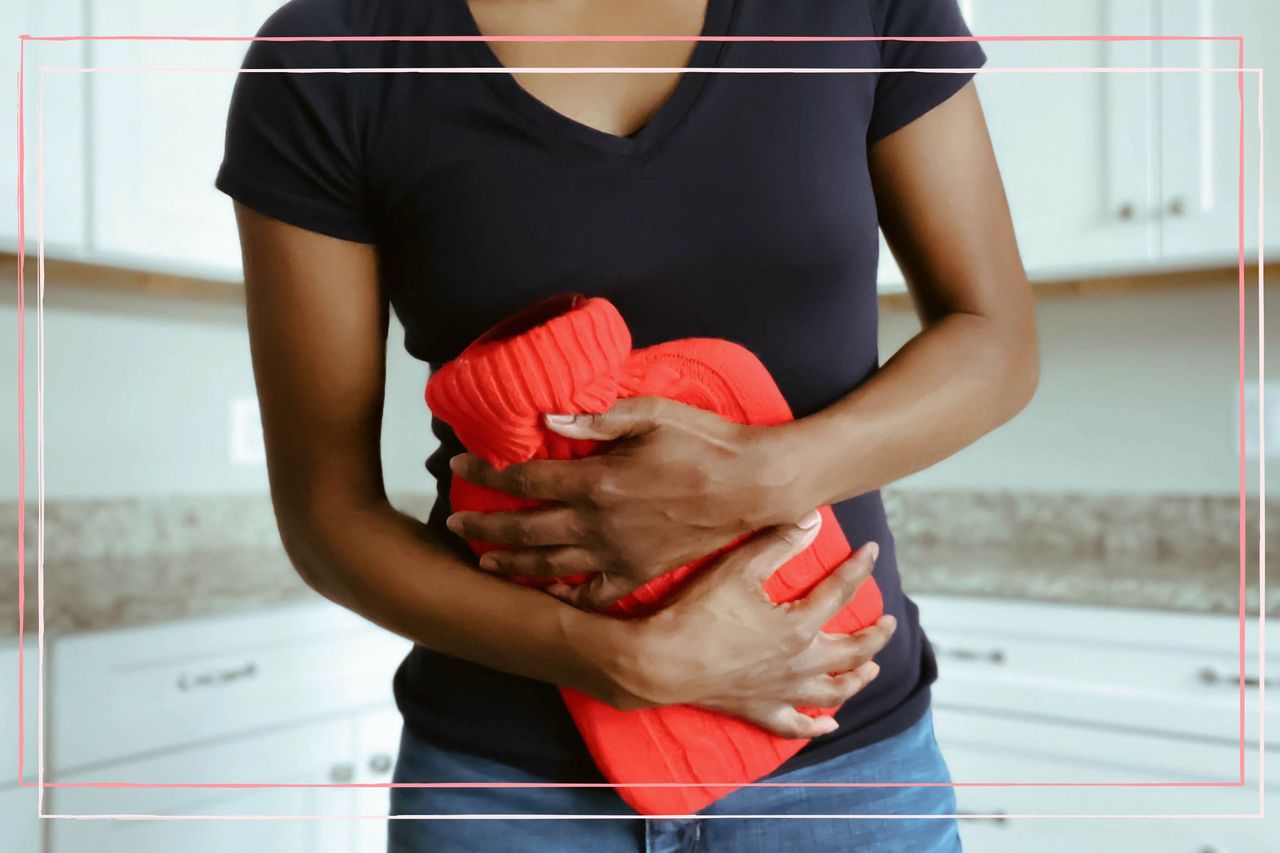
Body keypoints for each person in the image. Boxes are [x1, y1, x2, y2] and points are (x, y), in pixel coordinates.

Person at [215, 0, 1037, 850]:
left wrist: (759, 477)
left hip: (841, 780)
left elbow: (996, 339)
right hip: (513, 795)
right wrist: (621, 661)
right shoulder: (328, 58)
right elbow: (325, 516)